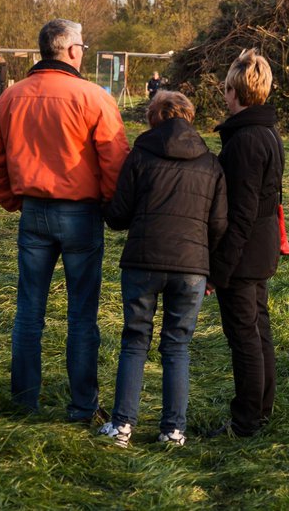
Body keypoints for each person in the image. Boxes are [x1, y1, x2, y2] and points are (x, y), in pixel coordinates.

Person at [0, 19, 130, 421]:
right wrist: (111, 209)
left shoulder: (10, 98)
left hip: (33, 213)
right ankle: (83, 406)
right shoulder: (94, 98)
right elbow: (116, 164)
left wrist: (17, 201)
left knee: (29, 312)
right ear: (73, 51)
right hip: (81, 214)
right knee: (82, 316)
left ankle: (25, 401)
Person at [97, 91, 228, 448]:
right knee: (177, 347)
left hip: (142, 261)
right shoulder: (211, 163)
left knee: (134, 341)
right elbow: (219, 225)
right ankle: (173, 430)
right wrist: (210, 271)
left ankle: (122, 425)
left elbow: (119, 216)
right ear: (189, 116)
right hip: (192, 267)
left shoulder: (139, 155)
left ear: (155, 117)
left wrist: (100, 202)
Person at [209, 49, 284, 437]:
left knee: (244, 338)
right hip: (262, 248)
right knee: (258, 331)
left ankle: (246, 420)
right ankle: (262, 409)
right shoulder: (268, 132)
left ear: (234, 91)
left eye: (225, 89)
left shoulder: (244, 141)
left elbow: (239, 214)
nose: (224, 96)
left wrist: (219, 268)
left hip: (244, 254)